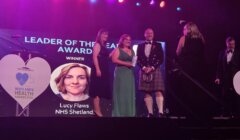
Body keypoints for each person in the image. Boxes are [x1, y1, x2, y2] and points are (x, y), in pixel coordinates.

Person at [137, 28, 165, 117]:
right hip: (144, 70)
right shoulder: (140, 46)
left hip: (155, 69)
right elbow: (138, 59)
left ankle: (160, 112)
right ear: (144, 35)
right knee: (146, 91)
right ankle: (150, 113)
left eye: (151, 33)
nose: (149, 34)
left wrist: (152, 67)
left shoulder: (158, 45)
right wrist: (144, 67)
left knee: (158, 90)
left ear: (153, 34)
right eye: (147, 33)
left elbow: (161, 59)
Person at [111, 34, 136, 117]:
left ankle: (129, 113)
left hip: (129, 74)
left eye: (129, 39)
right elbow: (114, 60)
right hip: (120, 73)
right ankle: (119, 113)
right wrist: (126, 63)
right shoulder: (118, 49)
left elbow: (133, 62)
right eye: (126, 39)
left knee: (128, 93)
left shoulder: (132, 50)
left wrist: (133, 63)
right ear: (122, 40)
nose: (128, 41)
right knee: (121, 92)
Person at [215, 37, 240, 117]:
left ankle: (237, 113)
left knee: (236, 96)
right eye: (230, 44)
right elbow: (219, 66)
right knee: (225, 95)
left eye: (233, 44)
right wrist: (218, 77)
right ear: (227, 44)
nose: (232, 46)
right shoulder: (222, 53)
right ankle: (225, 112)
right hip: (225, 78)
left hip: (236, 77)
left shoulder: (238, 53)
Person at [89, 29, 111, 117]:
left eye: (107, 35)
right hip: (98, 69)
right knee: (96, 91)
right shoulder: (97, 44)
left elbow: (107, 57)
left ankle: (97, 111)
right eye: (104, 34)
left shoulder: (104, 46)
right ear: (99, 35)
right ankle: (97, 111)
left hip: (104, 70)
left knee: (100, 91)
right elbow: (94, 57)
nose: (106, 36)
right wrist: (98, 69)